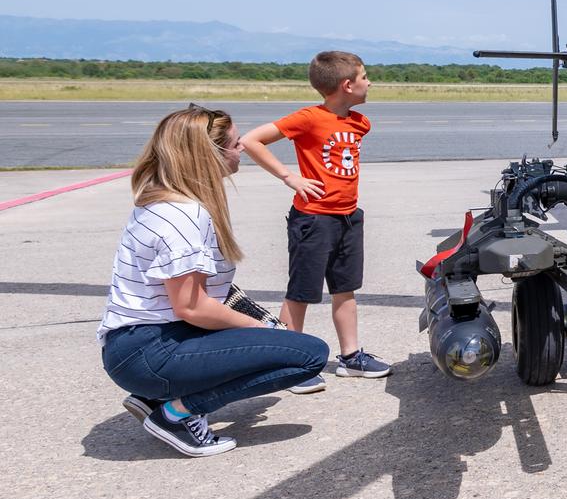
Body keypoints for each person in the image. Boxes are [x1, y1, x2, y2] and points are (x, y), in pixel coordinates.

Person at [98, 105, 329, 457]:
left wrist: (258, 329)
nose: (242, 150)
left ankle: (153, 398)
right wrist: (263, 329)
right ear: (210, 154)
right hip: (147, 351)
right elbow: (192, 306)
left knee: (274, 344)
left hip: (138, 344)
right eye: (235, 144)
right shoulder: (185, 216)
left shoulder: (163, 200)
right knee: (308, 355)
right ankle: (175, 414)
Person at [241, 50, 390, 392]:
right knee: (301, 292)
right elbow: (251, 140)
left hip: (348, 217)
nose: (370, 83)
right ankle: (289, 363)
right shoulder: (309, 118)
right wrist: (288, 177)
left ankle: (351, 357)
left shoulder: (359, 123)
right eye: (365, 77)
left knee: (345, 289)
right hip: (313, 219)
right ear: (347, 84)